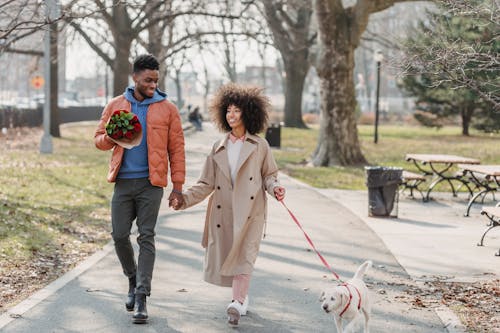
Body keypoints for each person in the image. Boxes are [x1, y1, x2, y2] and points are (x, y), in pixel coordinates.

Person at [172, 83, 285, 326]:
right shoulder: (218, 147)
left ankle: (236, 301)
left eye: (236, 110)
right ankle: (241, 298)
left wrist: (275, 188)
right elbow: (205, 183)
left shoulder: (260, 146)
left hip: (251, 212)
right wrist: (183, 199)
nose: (231, 115)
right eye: (228, 111)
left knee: (245, 256)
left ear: (248, 113)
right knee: (230, 259)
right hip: (224, 212)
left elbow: (269, 175)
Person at [94, 54, 185, 324]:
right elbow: (98, 139)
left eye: (156, 80)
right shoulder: (116, 105)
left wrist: (177, 186)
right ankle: (132, 279)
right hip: (122, 182)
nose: (152, 85)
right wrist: (112, 135)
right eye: (148, 80)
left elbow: (177, 149)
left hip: (151, 183)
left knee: (146, 236)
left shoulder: (168, 109)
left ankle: (142, 297)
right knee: (119, 235)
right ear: (135, 77)